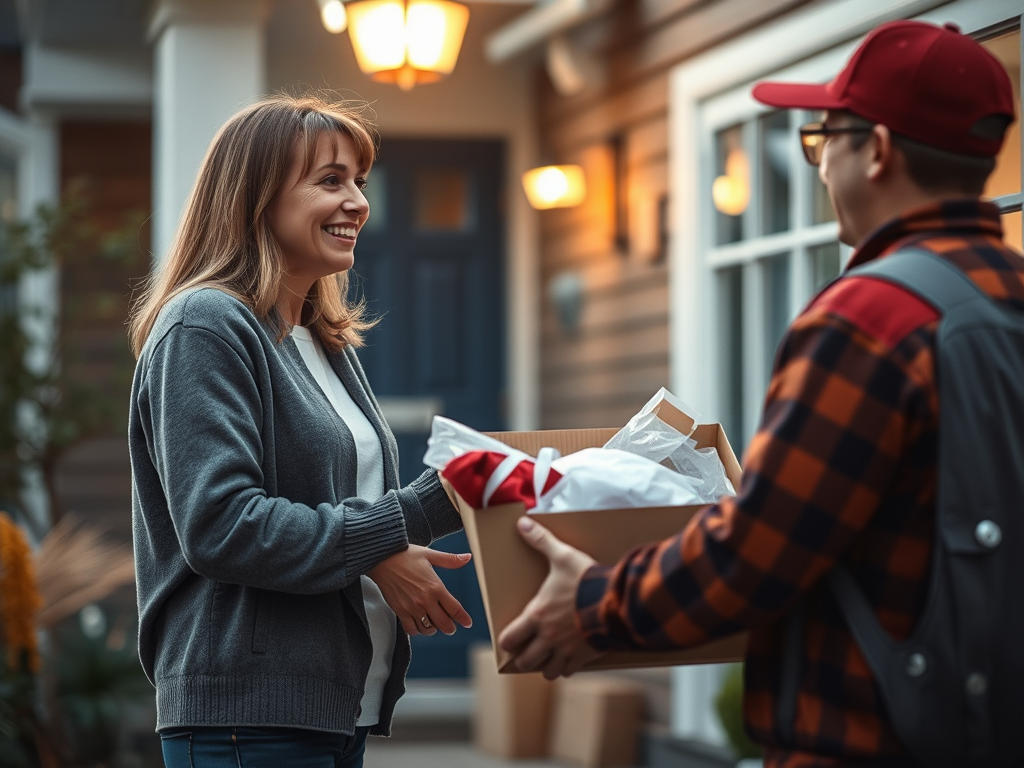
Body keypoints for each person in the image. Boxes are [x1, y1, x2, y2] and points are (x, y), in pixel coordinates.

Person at [498, 20, 1021, 767]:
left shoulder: (867, 319)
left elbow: (758, 552)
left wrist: (594, 605)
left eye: (823, 140)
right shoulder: (1007, 294)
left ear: (876, 150)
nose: (820, 165)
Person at [128, 95, 473, 768]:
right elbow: (222, 526)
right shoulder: (205, 325)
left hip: (337, 707)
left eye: (359, 182)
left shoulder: (320, 339)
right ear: (256, 196)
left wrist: (455, 500)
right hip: (246, 717)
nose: (358, 203)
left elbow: (341, 513)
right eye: (330, 180)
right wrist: (412, 516)